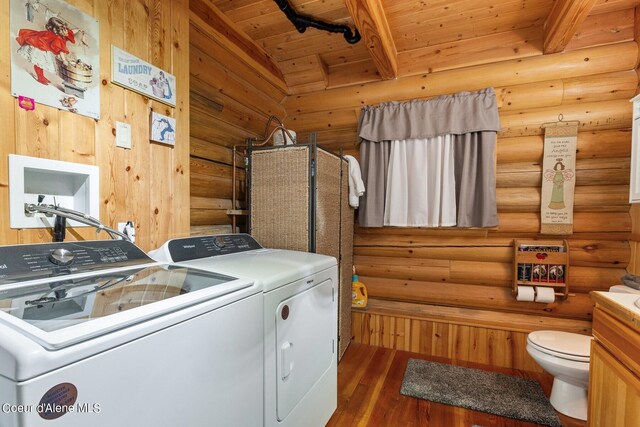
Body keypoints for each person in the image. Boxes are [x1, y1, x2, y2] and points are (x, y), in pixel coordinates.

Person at [16, 16, 76, 85]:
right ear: (56, 30)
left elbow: (71, 31)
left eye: (65, 29)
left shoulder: (59, 33)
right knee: (38, 63)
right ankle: (40, 77)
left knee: (40, 63)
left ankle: (41, 77)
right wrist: (64, 60)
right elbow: (60, 51)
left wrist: (79, 30)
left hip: (42, 45)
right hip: (40, 47)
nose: (66, 31)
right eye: (63, 30)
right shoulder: (57, 37)